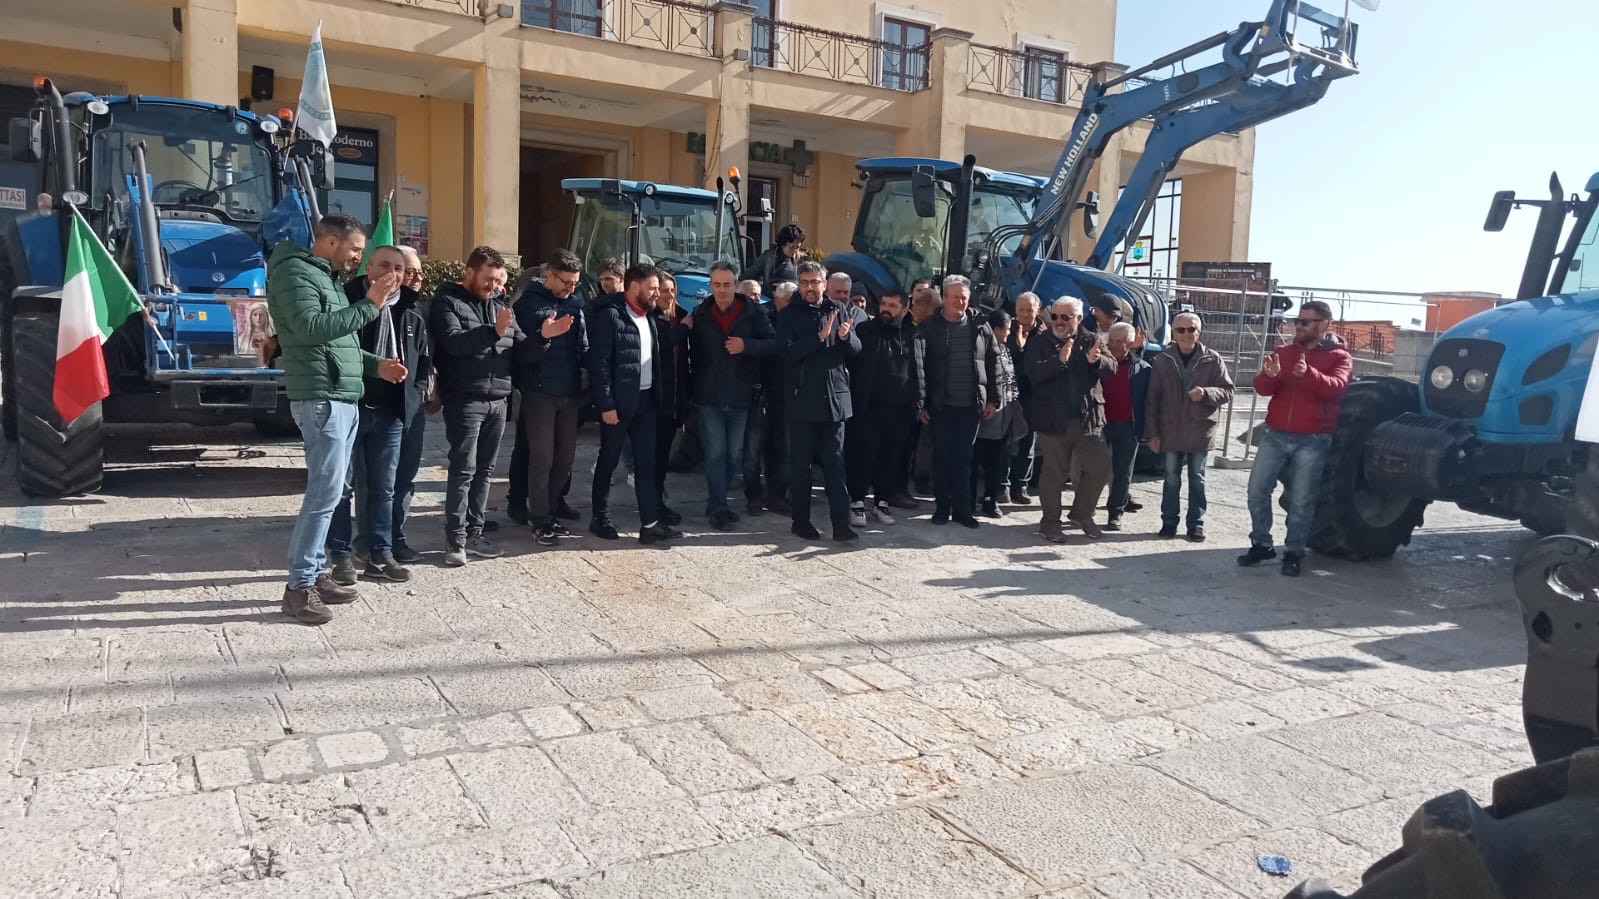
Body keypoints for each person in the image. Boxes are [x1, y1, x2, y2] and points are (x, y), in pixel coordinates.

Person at [266, 213, 406, 625]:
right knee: (324, 493)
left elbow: (338, 341)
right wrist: (370, 305)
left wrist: (374, 365)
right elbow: (310, 328)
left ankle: (313, 571)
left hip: (342, 396)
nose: (359, 259)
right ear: (329, 241)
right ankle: (298, 587)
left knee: (334, 491)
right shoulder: (294, 274)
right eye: (356, 250)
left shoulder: (325, 277)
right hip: (321, 399)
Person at [326, 245, 431, 584]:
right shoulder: (344, 301)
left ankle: (380, 553)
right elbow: (335, 349)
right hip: (349, 407)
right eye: (385, 264)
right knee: (341, 487)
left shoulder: (411, 311)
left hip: (391, 413)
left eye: (399, 268)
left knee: (385, 487)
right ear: (368, 268)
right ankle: (341, 555)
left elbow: (422, 363)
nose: (393, 273)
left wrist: (412, 400)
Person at [1239, 301, 1351, 576]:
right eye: (1297, 321)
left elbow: (1337, 388)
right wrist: (1269, 376)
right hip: (1275, 434)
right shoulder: (1284, 352)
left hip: (1312, 439)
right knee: (1256, 491)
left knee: (1302, 500)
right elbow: (1263, 389)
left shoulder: (1340, 357)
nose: (1298, 326)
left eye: (1306, 322)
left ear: (1324, 324)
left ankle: (1294, 552)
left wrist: (1309, 375)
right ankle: (1261, 543)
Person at [431, 245, 523, 567]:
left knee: (485, 471)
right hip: (465, 399)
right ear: (469, 273)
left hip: (498, 400)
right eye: (489, 279)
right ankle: (455, 541)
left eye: (498, 281)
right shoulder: (447, 302)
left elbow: (520, 347)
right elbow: (454, 343)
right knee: (463, 470)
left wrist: (545, 339)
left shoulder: (499, 306)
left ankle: (475, 532)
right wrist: (492, 332)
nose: (494, 286)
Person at [679, 261, 779, 529]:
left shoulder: (754, 311)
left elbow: (774, 344)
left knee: (732, 456)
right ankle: (719, 507)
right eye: (716, 285)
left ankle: (716, 502)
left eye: (727, 284)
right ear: (710, 286)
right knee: (715, 453)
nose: (722, 290)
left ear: (736, 285)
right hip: (708, 397)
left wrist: (747, 345)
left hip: (741, 397)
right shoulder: (700, 314)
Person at [588, 264, 682, 544]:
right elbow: (599, 364)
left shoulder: (650, 317)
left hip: (646, 402)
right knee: (609, 461)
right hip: (618, 404)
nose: (657, 293)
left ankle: (650, 523)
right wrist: (606, 404)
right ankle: (599, 517)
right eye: (652, 287)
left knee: (646, 464)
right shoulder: (611, 316)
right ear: (633, 287)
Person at [774, 261, 863, 542]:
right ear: (800, 285)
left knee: (836, 465)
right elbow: (785, 353)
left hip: (835, 402)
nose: (810, 287)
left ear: (825, 284)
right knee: (801, 467)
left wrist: (846, 338)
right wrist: (818, 338)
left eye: (815, 282)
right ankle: (801, 522)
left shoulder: (840, 310)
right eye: (805, 282)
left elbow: (856, 350)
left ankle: (840, 525)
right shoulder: (789, 315)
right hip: (803, 402)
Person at [1024, 298, 1114, 543]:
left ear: (1079, 318)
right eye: (1055, 316)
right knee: (1053, 474)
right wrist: (1059, 362)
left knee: (1100, 469)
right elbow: (1033, 374)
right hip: (1053, 420)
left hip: (1088, 419)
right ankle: (1050, 523)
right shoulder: (1041, 342)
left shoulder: (1091, 339)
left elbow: (1112, 367)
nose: (1059, 322)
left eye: (1066, 317)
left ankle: (1081, 514)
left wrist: (1096, 361)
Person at [513, 249, 587, 547]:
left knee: (565, 458)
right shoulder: (528, 305)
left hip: (569, 392)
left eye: (575, 283)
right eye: (566, 282)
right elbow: (520, 353)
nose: (570, 288)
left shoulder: (574, 304)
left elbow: (582, 346)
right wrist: (544, 335)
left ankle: (553, 508)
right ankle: (540, 518)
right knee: (541, 457)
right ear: (550, 275)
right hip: (539, 391)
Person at [917, 275, 1000, 528]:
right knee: (942, 457)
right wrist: (922, 402)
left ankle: (963, 510)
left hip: (971, 405)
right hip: (941, 405)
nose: (960, 302)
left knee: (964, 459)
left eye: (963, 298)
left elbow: (993, 362)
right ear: (944, 298)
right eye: (955, 298)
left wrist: (993, 399)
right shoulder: (930, 327)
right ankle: (942, 508)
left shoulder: (980, 325)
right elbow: (920, 368)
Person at [1145, 311, 1234, 542]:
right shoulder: (1163, 360)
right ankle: (1168, 523)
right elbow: (1152, 398)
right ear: (1173, 333)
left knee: (1197, 477)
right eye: (1180, 329)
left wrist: (1206, 393)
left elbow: (1227, 390)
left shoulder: (1213, 359)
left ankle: (1196, 524)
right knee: (1171, 477)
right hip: (1171, 428)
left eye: (1191, 329)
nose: (1186, 334)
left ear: (1199, 332)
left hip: (1199, 429)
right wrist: (1152, 433)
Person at [845, 288, 921, 527]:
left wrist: (920, 402)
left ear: (905, 309)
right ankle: (857, 503)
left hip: (900, 411)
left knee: (891, 459)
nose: (886, 309)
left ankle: (881, 502)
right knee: (864, 457)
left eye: (892, 305)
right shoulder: (866, 331)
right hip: (868, 409)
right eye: (884, 304)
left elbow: (920, 371)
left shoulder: (914, 335)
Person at [390, 245, 434, 563]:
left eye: (420, 271)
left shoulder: (419, 311)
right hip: (379, 410)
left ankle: (397, 535)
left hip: (412, 409)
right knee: (378, 480)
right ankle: (373, 539)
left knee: (406, 477)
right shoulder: (376, 308)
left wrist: (419, 393)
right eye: (411, 271)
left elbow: (424, 363)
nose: (417, 277)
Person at [745, 280, 796, 516]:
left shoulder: (799, 321)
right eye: (787, 300)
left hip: (788, 395)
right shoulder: (762, 318)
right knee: (754, 450)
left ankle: (777, 495)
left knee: (785, 450)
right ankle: (754, 496)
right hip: (761, 392)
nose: (790, 305)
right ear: (776, 301)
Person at [972, 309, 1027, 518]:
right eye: (1007, 330)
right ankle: (970, 500)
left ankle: (990, 499)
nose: (1008, 334)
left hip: (1004, 416)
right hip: (986, 416)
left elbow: (1011, 378)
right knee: (976, 460)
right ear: (996, 329)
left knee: (998, 463)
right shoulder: (981, 348)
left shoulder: (1005, 349)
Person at [1100, 322, 1152, 532]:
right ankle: (1083, 511)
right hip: (1100, 424)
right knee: (1094, 470)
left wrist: (1148, 430)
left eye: (1118, 341)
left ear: (1130, 344)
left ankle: (1115, 514)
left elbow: (1149, 400)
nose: (1113, 345)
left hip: (1128, 426)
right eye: (1110, 340)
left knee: (1122, 472)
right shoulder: (1098, 363)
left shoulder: (1143, 369)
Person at [652, 272, 691, 527]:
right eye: (664, 291)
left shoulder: (681, 315)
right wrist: (686, 328)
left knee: (662, 457)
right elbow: (661, 344)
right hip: (655, 400)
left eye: (672, 290)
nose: (669, 296)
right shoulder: (650, 318)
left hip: (676, 400)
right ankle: (654, 506)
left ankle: (658, 502)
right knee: (652, 458)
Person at [1007, 292, 1044, 506]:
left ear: (1037, 311)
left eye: (1029, 310)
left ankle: (1020, 485)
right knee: (1006, 443)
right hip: (1010, 394)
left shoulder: (1045, 334)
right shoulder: (1007, 329)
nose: (1025, 314)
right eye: (1021, 310)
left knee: (1028, 444)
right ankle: (1002, 484)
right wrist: (1018, 347)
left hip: (1034, 397)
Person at [746, 223, 805, 295]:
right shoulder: (768, 256)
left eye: (797, 247)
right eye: (791, 247)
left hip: (793, 299)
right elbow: (749, 275)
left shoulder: (803, 260)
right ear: (783, 245)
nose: (794, 251)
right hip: (770, 298)